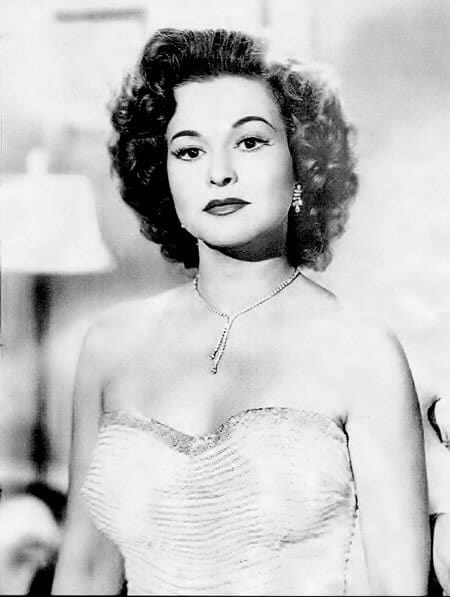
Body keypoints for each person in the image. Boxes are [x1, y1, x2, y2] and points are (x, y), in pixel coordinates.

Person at [52, 28, 430, 595]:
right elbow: (83, 574)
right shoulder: (110, 345)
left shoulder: (361, 353)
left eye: (250, 142)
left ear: (302, 163)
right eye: (189, 150)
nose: (219, 172)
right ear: (164, 175)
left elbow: (397, 587)